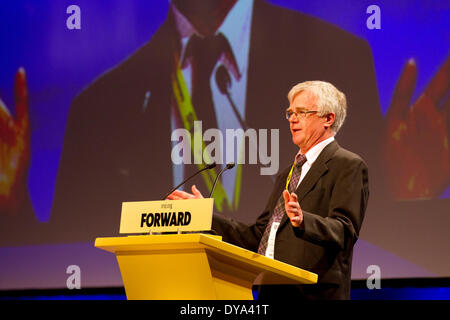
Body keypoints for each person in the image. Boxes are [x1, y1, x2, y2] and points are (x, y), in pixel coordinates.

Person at [167, 80, 369, 300]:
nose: (292, 119)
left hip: (312, 295)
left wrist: (303, 221)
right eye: (290, 112)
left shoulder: (347, 165)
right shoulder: (288, 173)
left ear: (328, 119)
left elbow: (345, 231)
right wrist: (204, 216)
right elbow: (259, 236)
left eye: (301, 112)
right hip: (272, 292)